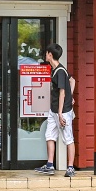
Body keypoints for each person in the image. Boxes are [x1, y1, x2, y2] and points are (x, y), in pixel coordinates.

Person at [35, 43, 75, 177]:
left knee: (68, 138)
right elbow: (72, 81)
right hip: (54, 110)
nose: (45, 55)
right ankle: (49, 165)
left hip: (62, 111)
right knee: (50, 136)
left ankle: (70, 168)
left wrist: (60, 112)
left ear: (50, 54)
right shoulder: (57, 69)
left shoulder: (60, 71)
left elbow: (62, 92)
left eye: (46, 53)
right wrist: (72, 96)